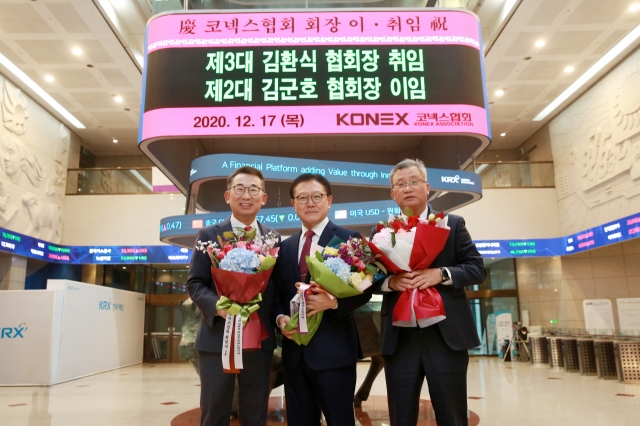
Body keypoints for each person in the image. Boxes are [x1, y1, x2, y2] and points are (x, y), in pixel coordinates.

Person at [372, 159, 485, 426]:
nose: (408, 188)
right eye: (401, 184)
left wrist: (441, 274)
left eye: (414, 181)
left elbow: (476, 268)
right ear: (393, 193)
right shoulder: (381, 233)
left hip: (445, 337)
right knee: (401, 417)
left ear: (427, 187)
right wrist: (391, 283)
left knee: (452, 416)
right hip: (400, 340)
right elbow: (370, 278)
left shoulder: (451, 224)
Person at [272, 173, 371, 426]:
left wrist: (334, 303)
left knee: (340, 421)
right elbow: (277, 293)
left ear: (329, 200)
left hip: (334, 354)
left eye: (316, 196)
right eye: (302, 198)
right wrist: (280, 318)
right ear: (293, 204)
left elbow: (367, 290)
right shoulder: (285, 247)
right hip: (295, 355)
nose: (310, 203)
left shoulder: (349, 239)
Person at [186, 166, 280, 426]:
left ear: (263, 198)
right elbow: (195, 283)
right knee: (214, 412)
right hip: (217, 338)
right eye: (239, 189)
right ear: (228, 196)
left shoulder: (273, 238)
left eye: (253, 189)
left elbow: (274, 288)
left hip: (259, 342)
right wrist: (219, 307)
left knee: (255, 413)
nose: (246, 195)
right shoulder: (209, 235)